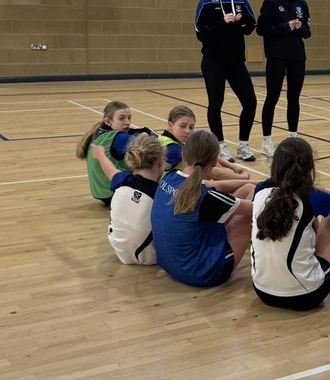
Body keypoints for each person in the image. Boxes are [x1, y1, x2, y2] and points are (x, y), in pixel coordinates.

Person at [251, 137, 330, 310]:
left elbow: (299, 191)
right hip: (307, 296)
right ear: (309, 167)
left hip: (262, 291)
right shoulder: (311, 198)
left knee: (311, 217)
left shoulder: (260, 189)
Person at [151, 129, 253, 287]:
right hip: (202, 274)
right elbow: (257, 207)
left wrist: (253, 182)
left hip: (168, 263)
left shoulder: (169, 177)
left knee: (247, 189)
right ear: (215, 162)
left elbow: (215, 185)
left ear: (183, 155)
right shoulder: (207, 198)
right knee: (251, 205)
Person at [194, 0, 258, 162]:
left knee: (250, 102)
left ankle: (243, 145)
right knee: (216, 103)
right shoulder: (205, 1)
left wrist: (240, 20)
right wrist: (223, 22)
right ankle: (220, 146)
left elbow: (251, 26)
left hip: (236, 61)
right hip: (213, 61)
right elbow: (202, 35)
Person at [256, 0, 311, 158]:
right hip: (276, 56)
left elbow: (308, 33)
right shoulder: (271, 2)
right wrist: (285, 26)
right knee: (272, 97)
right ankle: (266, 141)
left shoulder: (301, 4)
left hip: (297, 57)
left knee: (294, 98)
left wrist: (299, 26)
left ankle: (292, 139)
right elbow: (261, 29)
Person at [158, 104, 252, 193]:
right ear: (170, 125)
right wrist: (243, 177)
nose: (187, 131)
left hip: (174, 185)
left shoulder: (166, 139)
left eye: (191, 127)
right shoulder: (173, 149)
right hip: (172, 189)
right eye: (182, 126)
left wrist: (232, 166)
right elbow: (214, 172)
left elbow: (208, 155)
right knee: (247, 188)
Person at [76, 100, 154, 204]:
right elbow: (147, 142)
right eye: (122, 118)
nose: (127, 122)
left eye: (129, 118)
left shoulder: (99, 133)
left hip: (101, 192)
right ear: (108, 122)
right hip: (114, 193)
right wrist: (144, 134)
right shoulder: (118, 138)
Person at [107, 134, 165, 265]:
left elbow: (110, 170)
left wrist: (99, 154)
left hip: (121, 252)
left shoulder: (121, 181)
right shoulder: (161, 196)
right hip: (151, 258)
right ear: (160, 162)